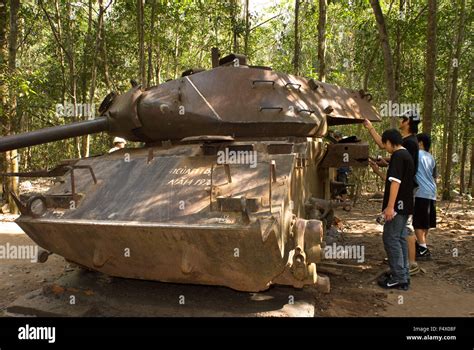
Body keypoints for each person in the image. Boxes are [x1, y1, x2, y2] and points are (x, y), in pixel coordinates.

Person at [364, 110, 421, 276]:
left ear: (409, 122)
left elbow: (398, 178)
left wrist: (390, 207)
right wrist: (370, 128)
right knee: (400, 234)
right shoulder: (402, 146)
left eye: (404, 118)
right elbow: (386, 148)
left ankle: (407, 267)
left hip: (403, 196)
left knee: (395, 235)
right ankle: (402, 270)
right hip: (403, 195)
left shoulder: (407, 145)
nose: (400, 120)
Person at [376, 129, 414, 290]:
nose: (386, 148)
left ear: (390, 142)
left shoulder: (398, 156)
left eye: (385, 145)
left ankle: (399, 277)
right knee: (399, 238)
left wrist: (390, 207)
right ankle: (403, 274)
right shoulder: (407, 155)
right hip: (405, 205)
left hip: (397, 206)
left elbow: (395, 182)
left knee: (390, 238)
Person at [414, 133, 437, 260]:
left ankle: (423, 249)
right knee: (426, 222)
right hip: (432, 192)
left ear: (421, 143)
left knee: (417, 222)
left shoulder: (416, 155)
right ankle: (421, 245)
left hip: (420, 192)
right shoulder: (431, 158)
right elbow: (434, 176)